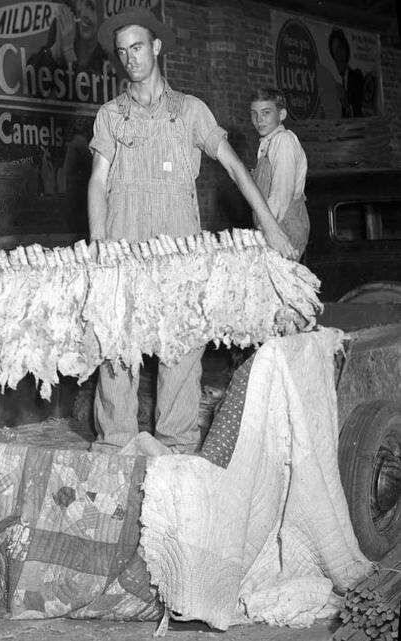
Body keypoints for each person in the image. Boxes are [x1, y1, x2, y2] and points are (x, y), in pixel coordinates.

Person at [86, 8, 295, 454]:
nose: (131, 59)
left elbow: (237, 169)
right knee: (116, 351)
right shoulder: (111, 115)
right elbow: (98, 180)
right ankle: (114, 450)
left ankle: (176, 451)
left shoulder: (190, 111)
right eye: (123, 52)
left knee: (180, 350)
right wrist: (99, 243)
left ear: (157, 47)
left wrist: (272, 228)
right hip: (123, 254)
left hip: (179, 256)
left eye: (138, 47)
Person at [249, 87, 310, 260]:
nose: (259, 120)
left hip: (284, 226)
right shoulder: (267, 143)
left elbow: (280, 194)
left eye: (266, 112)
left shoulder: (284, 141)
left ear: (281, 114)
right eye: (254, 114)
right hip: (273, 224)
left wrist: (264, 231)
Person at [33, 0, 107, 76]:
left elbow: (89, 85)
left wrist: (68, 50)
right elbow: (31, 74)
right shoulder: (66, 26)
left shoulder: (107, 59)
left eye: (91, 7)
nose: (83, 14)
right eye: (81, 6)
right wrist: (56, 50)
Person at [328, 28, 366, 118]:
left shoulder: (357, 78)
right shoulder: (335, 82)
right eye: (335, 53)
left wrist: (344, 100)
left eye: (339, 49)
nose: (338, 56)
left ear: (346, 50)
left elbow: (359, 112)